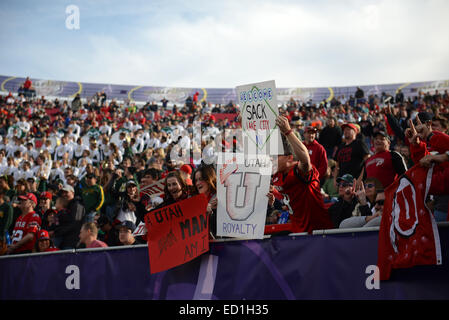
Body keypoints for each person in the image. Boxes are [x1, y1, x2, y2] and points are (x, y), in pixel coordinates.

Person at [271, 115, 334, 234]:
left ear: (289, 158)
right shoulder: (276, 175)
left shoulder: (300, 171)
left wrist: (288, 132)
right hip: (297, 231)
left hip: (317, 232)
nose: (271, 160)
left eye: (275, 157)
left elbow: (305, 160)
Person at [53, 184, 85, 249]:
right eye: (62, 193)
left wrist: (57, 232)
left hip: (72, 242)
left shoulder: (77, 205)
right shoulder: (67, 206)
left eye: (66, 192)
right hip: (64, 241)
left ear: (72, 193)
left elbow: (75, 224)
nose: (64, 194)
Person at [193, 164, 217, 238]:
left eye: (201, 179)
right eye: (196, 180)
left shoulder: (219, 198)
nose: (197, 183)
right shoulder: (194, 201)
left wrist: (212, 213)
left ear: (209, 179)